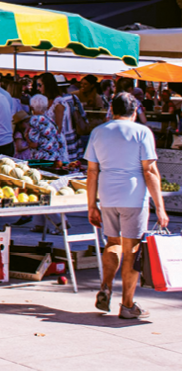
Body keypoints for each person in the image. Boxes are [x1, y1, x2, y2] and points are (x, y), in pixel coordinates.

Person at [86, 92, 169, 319]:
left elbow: (92, 172)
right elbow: (149, 170)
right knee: (132, 249)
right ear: (134, 112)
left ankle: (105, 287)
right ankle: (127, 305)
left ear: (112, 110)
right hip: (133, 197)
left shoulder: (98, 132)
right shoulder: (142, 132)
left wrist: (91, 205)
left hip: (107, 195)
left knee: (112, 242)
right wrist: (160, 207)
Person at [25, 94, 66, 163]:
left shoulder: (35, 120)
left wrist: (26, 136)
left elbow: (34, 144)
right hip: (56, 157)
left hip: (43, 159)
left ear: (32, 107)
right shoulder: (49, 118)